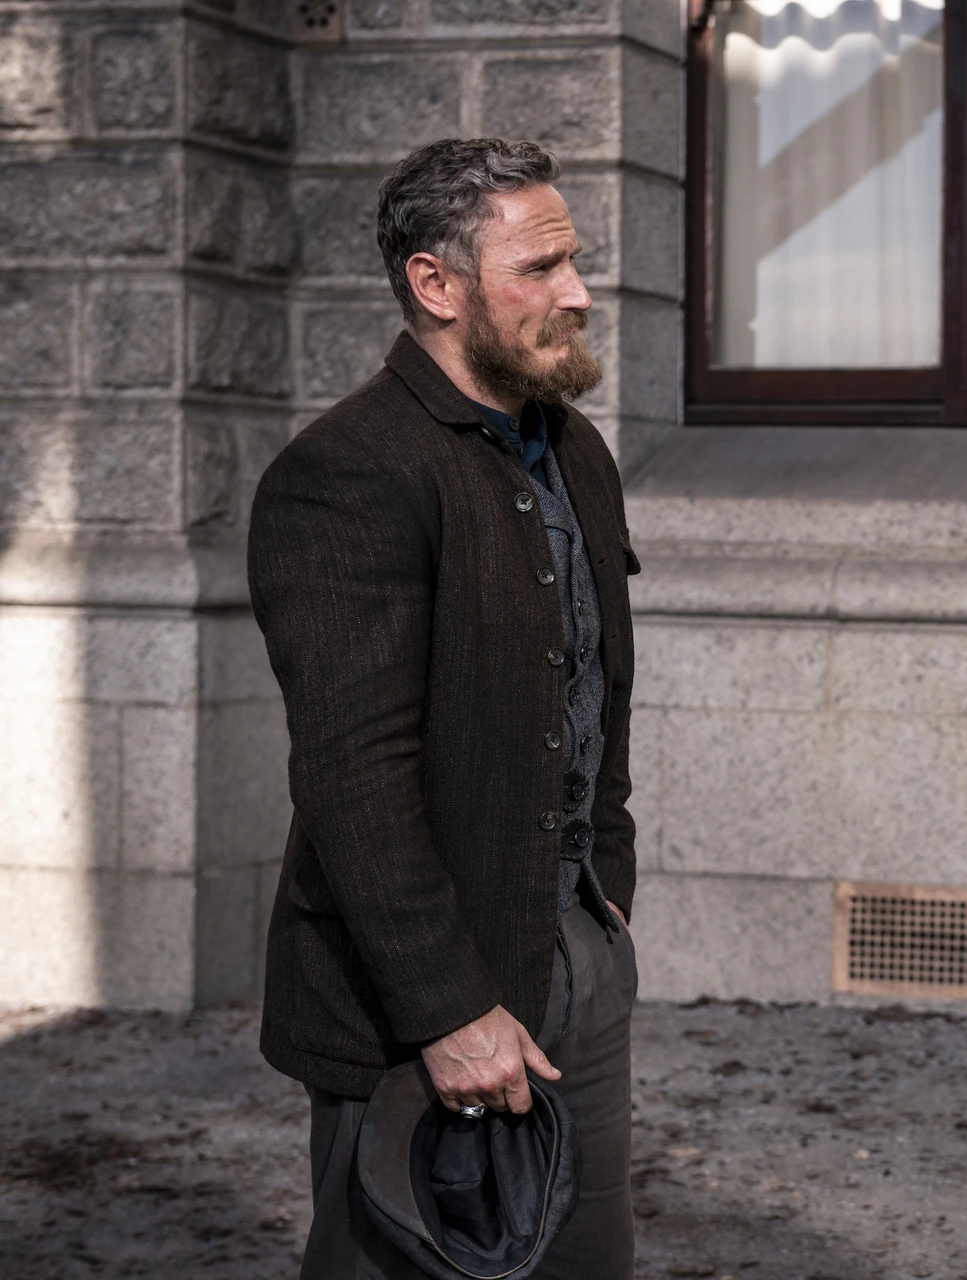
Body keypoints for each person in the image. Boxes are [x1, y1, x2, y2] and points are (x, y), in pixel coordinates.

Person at [248, 138, 641, 1279]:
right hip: (415, 1011)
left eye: (573, 260)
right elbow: (352, 776)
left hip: (578, 958)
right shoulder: (347, 472)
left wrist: (607, 892)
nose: (578, 291)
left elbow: (595, 688)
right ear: (436, 284)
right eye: (540, 267)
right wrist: (450, 1010)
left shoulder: (576, 448)